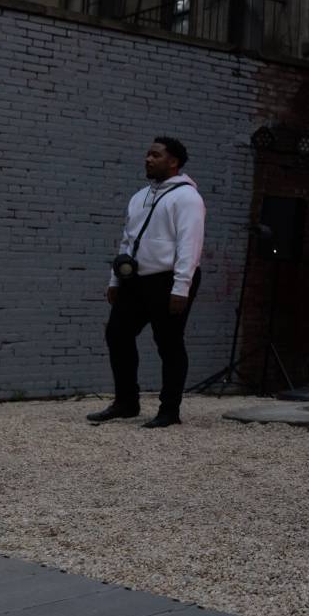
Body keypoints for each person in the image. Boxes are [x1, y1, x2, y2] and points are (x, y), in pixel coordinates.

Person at [87, 137, 206, 429]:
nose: (148, 159)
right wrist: (115, 280)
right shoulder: (139, 196)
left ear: (173, 162)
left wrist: (181, 288)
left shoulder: (188, 198)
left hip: (169, 280)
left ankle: (169, 411)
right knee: (117, 334)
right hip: (135, 280)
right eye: (148, 154)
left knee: (168, 344)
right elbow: (127, 241)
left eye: (156, 155)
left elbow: (189, 246)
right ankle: (126, 402)